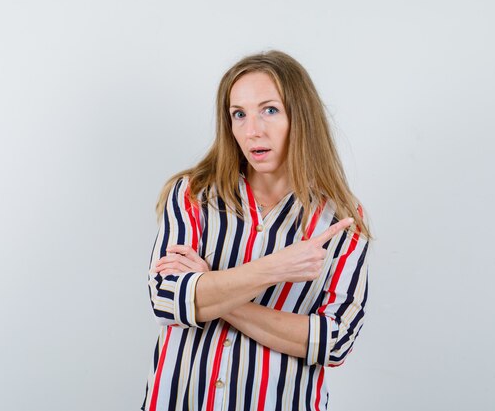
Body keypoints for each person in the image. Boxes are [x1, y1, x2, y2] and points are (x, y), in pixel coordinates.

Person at [142, 50, 371, 411]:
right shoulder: (194, 194)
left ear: (301, 117)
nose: (253, 131)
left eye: (270, 110)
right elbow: (167, 299)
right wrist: (276, 268)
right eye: (239, 114)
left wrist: (210, 288)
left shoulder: (340, 219)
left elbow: (334, 341)